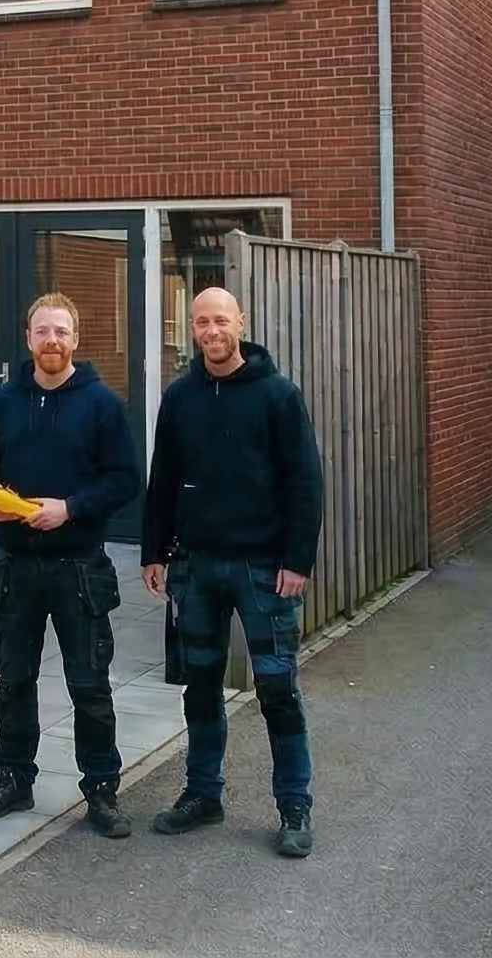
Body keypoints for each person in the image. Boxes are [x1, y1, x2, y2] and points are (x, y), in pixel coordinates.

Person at [140, 286, 325, 858]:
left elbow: (304, 482)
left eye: (221, 320)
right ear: (191, 328)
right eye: (201, 322)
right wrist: (154, 552)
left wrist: (297, 559)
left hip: (263, 568)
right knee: (200, 686)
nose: (211, 330)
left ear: (240, 323)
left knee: (277, 689)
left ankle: (294, 805)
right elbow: (163, 478)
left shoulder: (277, 396)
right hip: (195, 565)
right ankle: (202, 794)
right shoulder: (180, 397)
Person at [0, 292, 142, 838]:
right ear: (28, 339)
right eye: (42, 331)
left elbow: (125, 479)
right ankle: (13, 780)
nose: (51, 341)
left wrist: (71, 508)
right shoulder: (2, 403)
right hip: (13, 565)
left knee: (89, 685)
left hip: (78, 568)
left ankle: (102, 791)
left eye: (61, 331)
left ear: (76, 340)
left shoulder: (102, 405)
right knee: (14, 682)